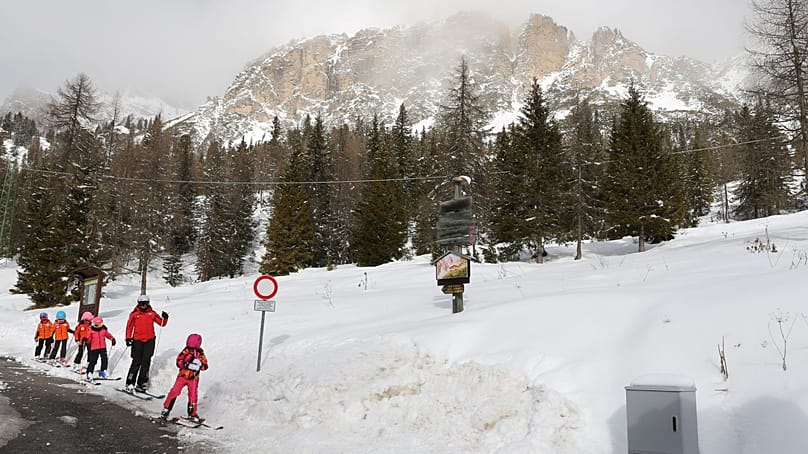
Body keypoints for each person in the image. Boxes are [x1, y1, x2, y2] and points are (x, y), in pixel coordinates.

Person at [159, 333, 208, 423]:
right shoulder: (185, 351)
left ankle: (192, 414)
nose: (191, 349)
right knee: (174, 392)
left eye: (192, 348)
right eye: (189, 347)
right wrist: (187, 365)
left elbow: (205, 366)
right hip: (182, 377)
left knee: (193, 396)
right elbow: (178, 361)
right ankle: (166, 410)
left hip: (193, 379)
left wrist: (200, 365)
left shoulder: (200, 353)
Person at [124, 294, 169, 392]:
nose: (143, 306)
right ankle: (130, 382)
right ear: (138, 304)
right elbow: (129, 326)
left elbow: (161, 323)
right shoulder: (134, 314)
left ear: (148, 304)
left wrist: (165, 318)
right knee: (136, 362)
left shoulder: (152, 313)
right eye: (141, 304)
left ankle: (141, 383)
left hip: (150, 340)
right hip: (138, 340)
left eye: (145, 303)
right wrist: (128, 338)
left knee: (146, 362)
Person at [85, 316, 116, 382]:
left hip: (102, 347)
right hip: (94, 348)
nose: (99, 326)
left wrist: (112, 339)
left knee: (104, 359)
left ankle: (103, 371)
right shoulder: (91, 331)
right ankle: (89, 373)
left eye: (100, 324)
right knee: (93, 361)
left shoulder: (103, 330)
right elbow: (88, 339)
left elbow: (108, 335)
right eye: (97, 325)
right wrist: (86, 340)